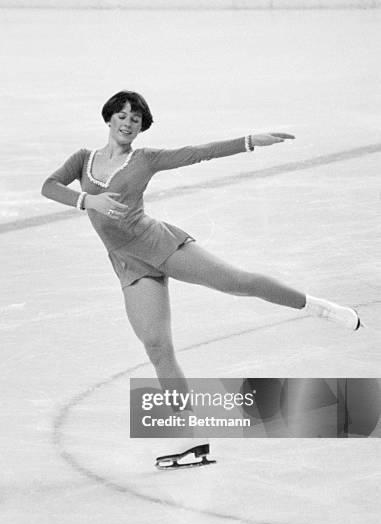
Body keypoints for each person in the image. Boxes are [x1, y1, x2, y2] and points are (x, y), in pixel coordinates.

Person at [41, 90, 362, 469]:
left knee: (238, 282)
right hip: (128, 264)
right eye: (123, 116)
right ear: (109, 118)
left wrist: (248, 142)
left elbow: (198, 152)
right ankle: (194, 442)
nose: (128, 123)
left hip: (160, 244)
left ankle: (320, 308)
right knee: (158, 347)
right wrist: (86, 201)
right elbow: (49, 186)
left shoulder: (145, 160)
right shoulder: (84, 160)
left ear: (141, 128)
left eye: (136, 120)